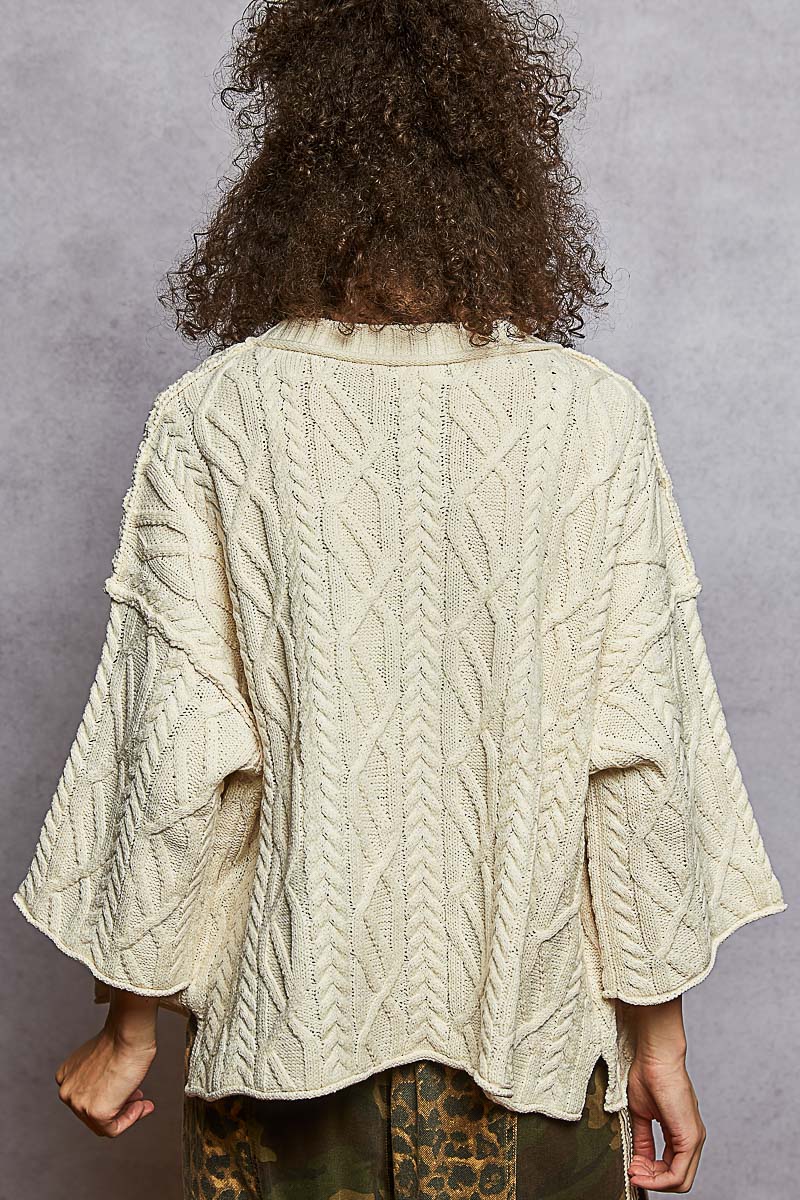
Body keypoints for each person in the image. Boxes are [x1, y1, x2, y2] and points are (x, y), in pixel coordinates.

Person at [12, 1, 787, 1197]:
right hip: (529, 1057)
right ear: (504, 176)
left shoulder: (218, 419)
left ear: (288, 174)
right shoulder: (591, 420)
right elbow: (637, 762)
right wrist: (659, 1046)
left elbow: (179, 755)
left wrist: (127, 1027)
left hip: (285, 1057)